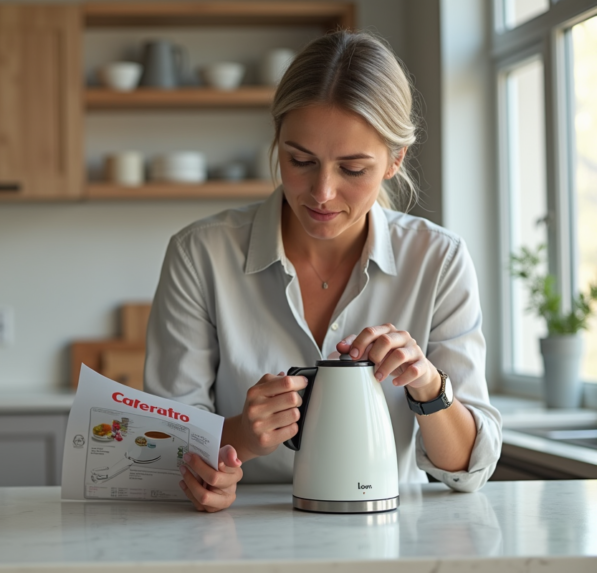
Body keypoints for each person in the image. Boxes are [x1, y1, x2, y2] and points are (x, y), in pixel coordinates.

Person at [143, 30, 502, 513]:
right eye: (300, 160)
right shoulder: (200, 253)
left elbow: (466, 471)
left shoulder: (439, 259)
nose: (322, 193)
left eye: (353, 169)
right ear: (277, 141)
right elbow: (168, 449)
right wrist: (242, 439)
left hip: (385, 532)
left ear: (395, 160)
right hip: (240, 536)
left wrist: (429, 385)